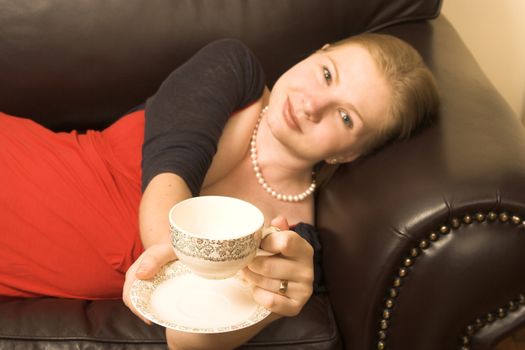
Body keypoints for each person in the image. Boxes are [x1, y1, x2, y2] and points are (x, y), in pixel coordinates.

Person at [0, 33, 439, 349]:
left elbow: (188, 343)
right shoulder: (233, 69)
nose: (312, 104)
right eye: (327, 73)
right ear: (317, 51)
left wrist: (276, 294)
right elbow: (167, 179)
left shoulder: (293, 243)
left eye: (346, 118)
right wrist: (191, 265)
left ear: (351, 155)